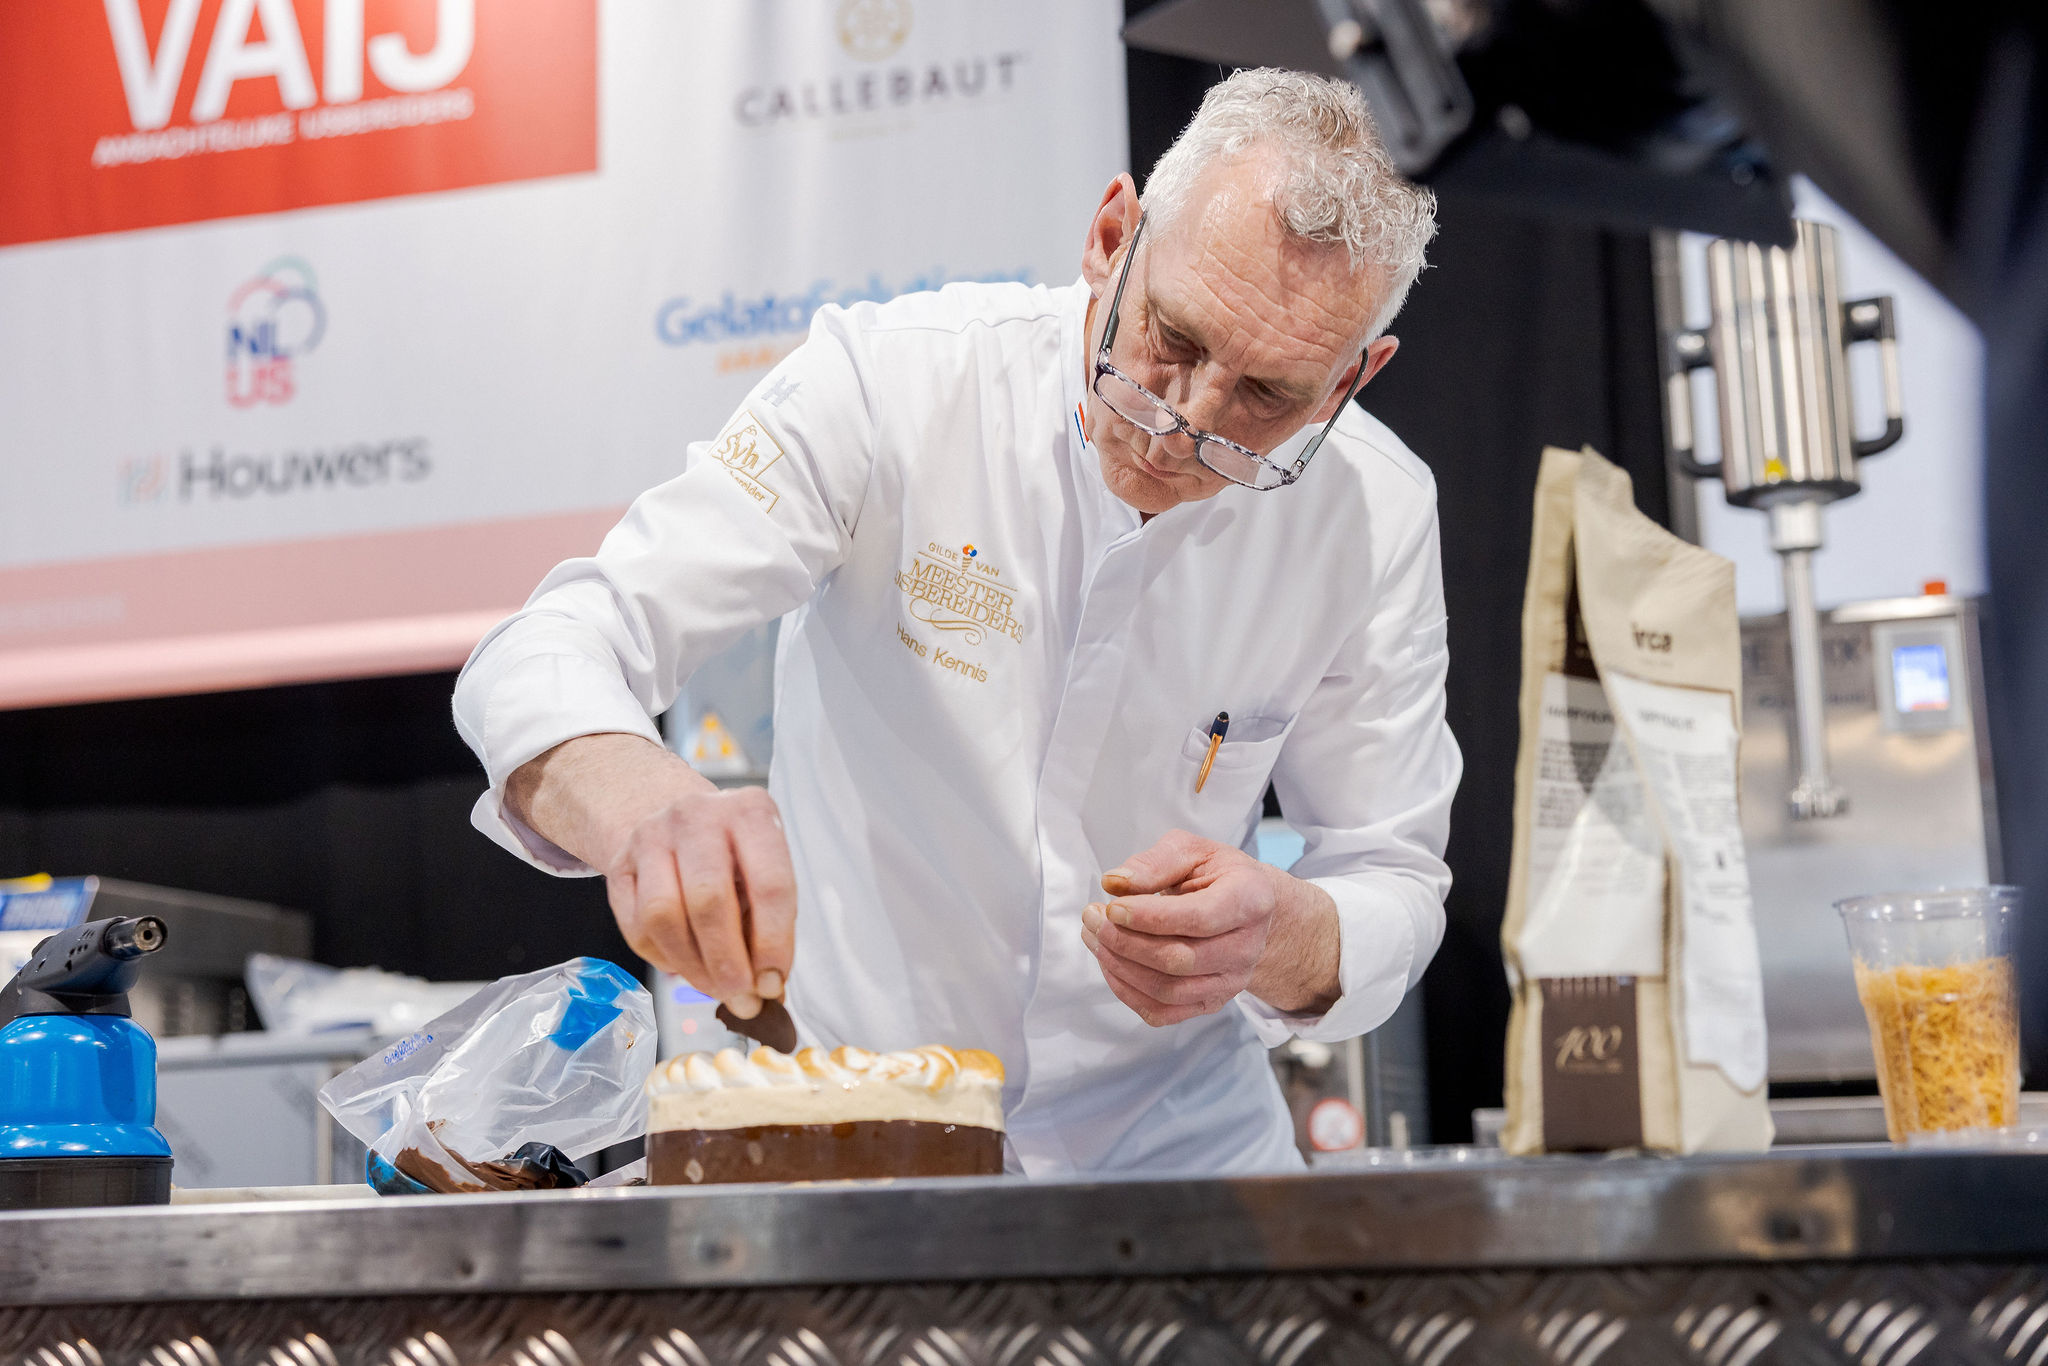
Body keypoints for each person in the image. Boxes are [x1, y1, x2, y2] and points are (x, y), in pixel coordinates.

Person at [453, 68, 1461, 1174]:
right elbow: (550, 647)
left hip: (1179, 1150)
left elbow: (1392, 874)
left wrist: (1281, 935)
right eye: (1169, 338)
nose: (1182, 425)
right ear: (1110, 235)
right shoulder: (894, 384)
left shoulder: (1373, 512)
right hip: (853, 1126)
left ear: (1349, 382)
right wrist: (647, 807)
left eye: (1263, 397)